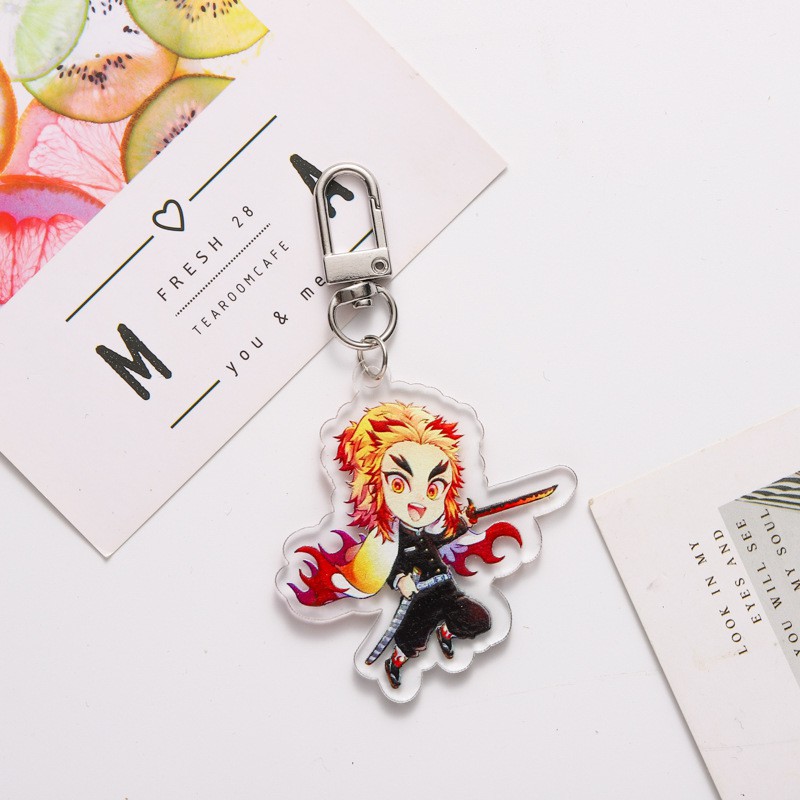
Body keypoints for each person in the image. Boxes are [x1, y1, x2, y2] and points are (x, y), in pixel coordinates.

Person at [333, 402, 491, 689]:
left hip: (445, 588)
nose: (419, 501)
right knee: (412, 640)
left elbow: (441, 539)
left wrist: (463, 523)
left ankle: (447, 631)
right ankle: (395, 663)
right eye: (398, 484)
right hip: (419, 597)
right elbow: (383, 565)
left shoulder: (424, 530)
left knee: (478, 619)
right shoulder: (386, 537)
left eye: (433, 489)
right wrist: (398, 580)